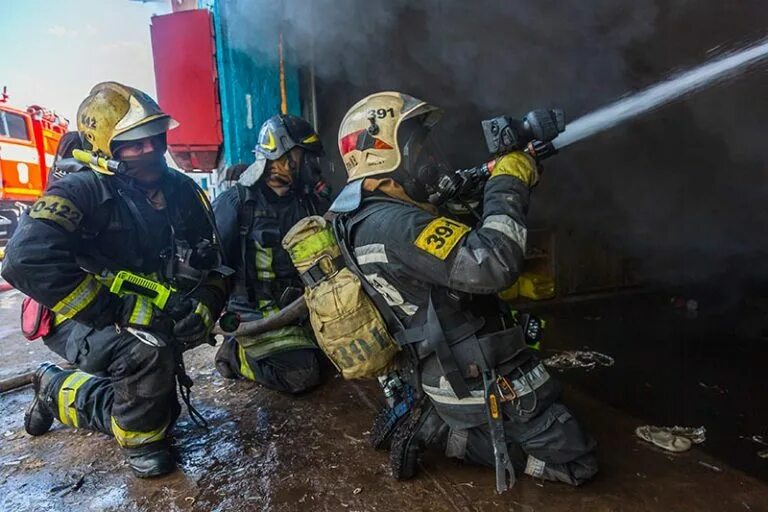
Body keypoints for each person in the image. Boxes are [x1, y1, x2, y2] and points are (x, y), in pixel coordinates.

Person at [329, 91, 597, 487]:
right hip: (467, 370)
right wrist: (508, 181)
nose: (429, 158)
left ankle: (437, 416)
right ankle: (443, 431)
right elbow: (492, 264)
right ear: (383, 153)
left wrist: (473, 188)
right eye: (417, 148)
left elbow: (452, 244)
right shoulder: (397, 226)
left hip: (443, 357)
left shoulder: (363, 217)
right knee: (577, 461)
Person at [1, 82, 229, 478]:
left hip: (153, 308)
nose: (149, 152)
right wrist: (120, 310)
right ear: (105, 148)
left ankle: (97, 393)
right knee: (147, 357)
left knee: (159, 397)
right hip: (78, 313)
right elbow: (24, 260)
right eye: (133, 145)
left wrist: (205, 304)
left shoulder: (182, 191)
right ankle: (126, 430)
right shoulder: (81, 190)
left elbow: (218, 264)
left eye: (153, 140)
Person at [212, 114, 327, 394]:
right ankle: (236, 356)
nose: (310, 166)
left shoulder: (309, 202)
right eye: (303, 157)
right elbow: (212, 268)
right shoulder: (236, 203)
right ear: (282, 157)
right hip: (255, 314)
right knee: (302, 376)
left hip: (301, 308)